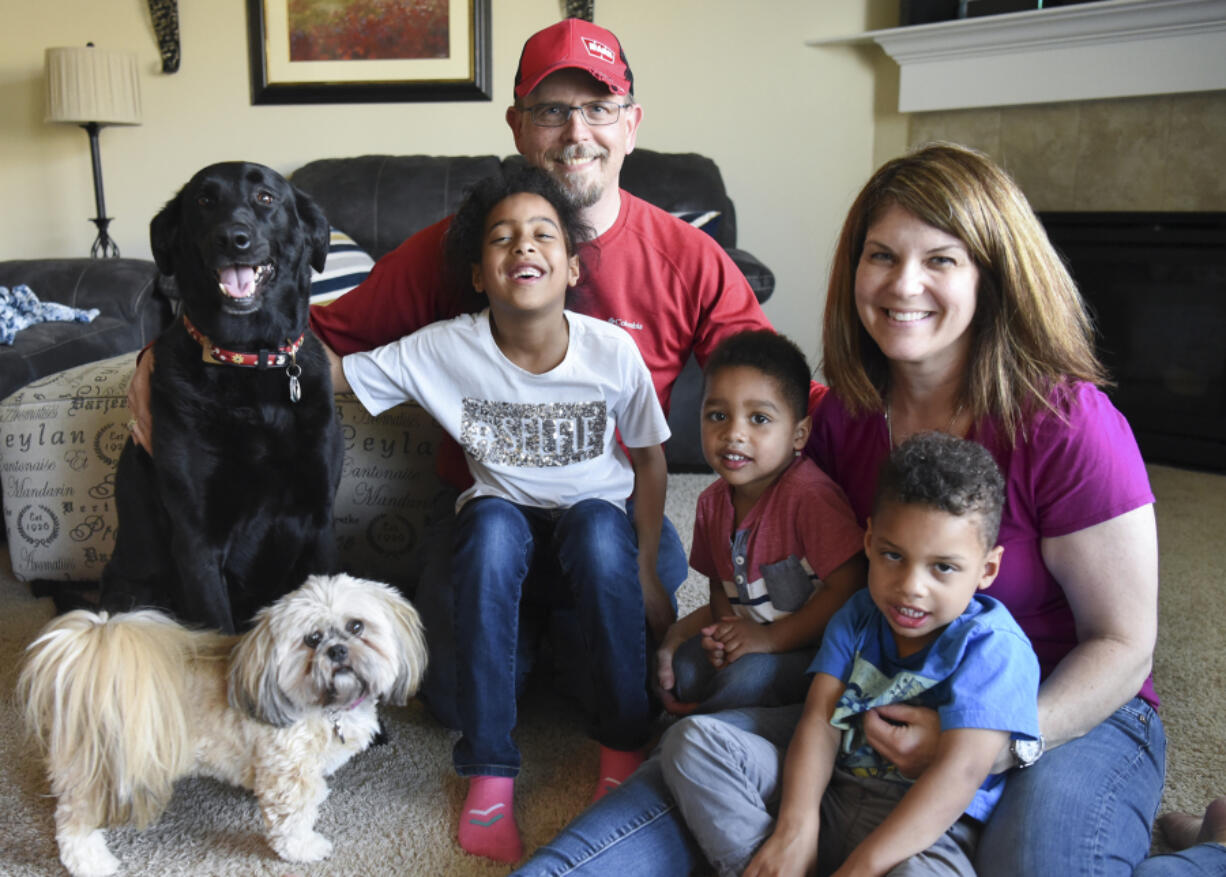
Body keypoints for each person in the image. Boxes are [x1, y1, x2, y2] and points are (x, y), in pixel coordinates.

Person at [511, 142, 1165, 876]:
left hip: (1058, 715)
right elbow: (774, 544)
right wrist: (700, 626)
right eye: (881, 255)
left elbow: (1123, 642)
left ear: (993, 273)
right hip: (867, 701)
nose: (903, 283)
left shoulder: (1065, 422)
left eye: (940, 259)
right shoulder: (846, 418)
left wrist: (982, 737)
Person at [127, 18, 793, 728]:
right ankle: (523, 642)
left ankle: (554, 639)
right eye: (551, 110)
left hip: (610, 517)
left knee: (632, 684)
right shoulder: (453, 249)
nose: (576, 132)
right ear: (517, 126)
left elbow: (774, 391)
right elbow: (311, 342)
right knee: (447, 702)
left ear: (630, 125)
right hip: (486, 514)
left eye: (598, 109)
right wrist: (171, 348)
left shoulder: (687, 256)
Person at [329, 165, 671, 864]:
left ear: (573, 268)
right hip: (501, 525)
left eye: (544, 234)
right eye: (502, 238)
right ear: (480, 275)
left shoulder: (611, 351)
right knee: (484, 529)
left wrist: (646, 570)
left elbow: (652, 459)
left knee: (603, 532)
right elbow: (334, 371)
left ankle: (622, 748)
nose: (525, 246)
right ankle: (489, 769)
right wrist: (228, 340)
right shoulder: (446, 346)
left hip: (593, 527)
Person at [662, 432, 1041, 877]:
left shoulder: (995, 646)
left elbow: (958, 775)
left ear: (987, 569)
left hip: (921, 838)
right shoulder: (859, 614)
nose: (911, 587)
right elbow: (819, 722)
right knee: (691, 742)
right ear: (868, 542)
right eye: (893, 556)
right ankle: (775, 865)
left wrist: (861, 868)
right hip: (831, 798)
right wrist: (795, 828)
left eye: (943, 567)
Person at [655, 330, 864, 716]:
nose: (734, 433)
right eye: (717, 416)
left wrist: (770, 640)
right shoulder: (709, 503)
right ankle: (720, 715)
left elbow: (849, 586)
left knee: (745, 679)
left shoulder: (810, 497)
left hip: (814, 649)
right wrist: (727, 634)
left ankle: (703, 729)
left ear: (798, 434)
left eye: (759, 419)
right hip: (756, 634)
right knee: (685, 667)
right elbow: (718, 583)